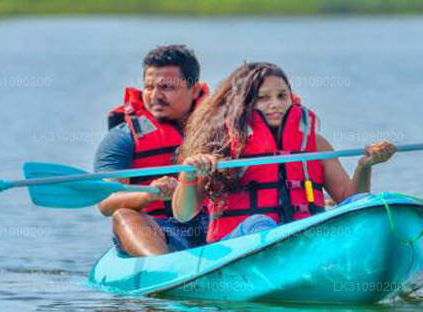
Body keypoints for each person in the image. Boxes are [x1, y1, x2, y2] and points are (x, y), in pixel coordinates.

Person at [172, 61, 396, 242]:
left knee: (370, 204)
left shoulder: (315, 145)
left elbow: (352, 201)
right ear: (243, 103)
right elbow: (183, 213)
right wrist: (190, 173)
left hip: (304, 240)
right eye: (263, 98)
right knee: (259, 223)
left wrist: (364, 166)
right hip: (238, 246)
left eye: (282, 96)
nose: (275, 104)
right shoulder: (220, 148)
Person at [95, 45, 209, 256]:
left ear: (194, 90)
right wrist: (149, 194)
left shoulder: (222, 129)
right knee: (123, 214)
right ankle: (162, 267)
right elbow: (106, 203)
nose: (155, 96)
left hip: (216, 227)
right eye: (149, 87)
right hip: (158, 231)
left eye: (167, 87)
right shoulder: (121, 138)